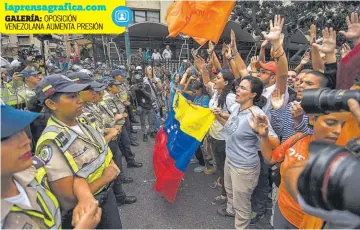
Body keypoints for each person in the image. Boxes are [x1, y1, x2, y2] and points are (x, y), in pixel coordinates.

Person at [34, 75, 123, 229]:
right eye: (71, 96)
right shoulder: (52, 142)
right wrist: (104, 179)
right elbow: (68, 199)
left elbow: (101, 149)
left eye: (78, 95)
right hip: (87, 210)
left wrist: (111, 166)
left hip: (106, 195)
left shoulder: (81, 121)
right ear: (51, 103)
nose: (80, 100)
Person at [1, 101, 102, 229]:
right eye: (5, 137)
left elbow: (74, 177)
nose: (25, 141)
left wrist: (85, 197)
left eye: (21, 130)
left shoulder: (30, 171)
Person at [254, 109, 349, 229]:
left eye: (343, 125)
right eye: (330, 123)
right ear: (312, 119)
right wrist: (263, 136)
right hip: (282, 211)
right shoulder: (297, 139)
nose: (337, 131)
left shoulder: (345, 158)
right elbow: (270, 159)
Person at [214, 76, 279, 229]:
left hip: (244, 169)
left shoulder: (256, 115)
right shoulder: (237, 107)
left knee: (242, 208)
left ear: (253, 95)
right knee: (230, 192)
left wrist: (262, 133)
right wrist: (219, 116)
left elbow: (276, 142)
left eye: (243, 88)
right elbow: (233, 125)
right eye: (238, 86)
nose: (237, 89)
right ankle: (231, 211)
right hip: (230, 160)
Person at [200, 64, 236, 206]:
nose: (214, 80)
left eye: (218, 78)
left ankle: (224, 195)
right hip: (215, 135)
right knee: (220, 165)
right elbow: (206, 81)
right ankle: (223, 186)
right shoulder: (216, 92)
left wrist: (220, 114)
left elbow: (237, 116)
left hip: (224, 138)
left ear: (226, 83)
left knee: (222, 167)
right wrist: (204, 69)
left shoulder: (230, 97)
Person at [133, 73, 156, 142]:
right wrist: (133, 89)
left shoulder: (147, 86)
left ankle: (151, 132)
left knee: (151, 121)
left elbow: (149, 96)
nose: (139, 84)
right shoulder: (136, 88)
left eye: (140, 82)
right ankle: (144, 134)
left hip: (149, 106)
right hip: (142, 107)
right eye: (138, 83)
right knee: (143, 122)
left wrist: (142, 89)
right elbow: (133, 98)